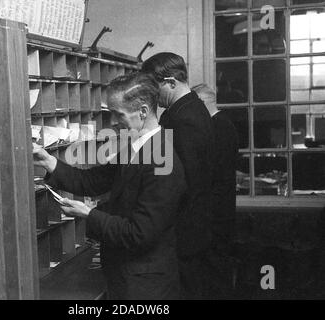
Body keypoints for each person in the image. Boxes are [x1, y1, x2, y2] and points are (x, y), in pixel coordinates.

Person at [33, 72, 186, 300]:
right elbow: (92, 181)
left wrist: (89, 214)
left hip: (145, 284)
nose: (113, 121)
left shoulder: (162, 160)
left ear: (143, 111)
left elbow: (139, 233)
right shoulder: (137, 146)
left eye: (118, 114)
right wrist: (49, 161)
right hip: (128, 275)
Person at [141, 52, 215, 299]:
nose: (152, 95)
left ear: (171, 82)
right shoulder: (190, 109)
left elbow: (182, 181)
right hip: (192, 225)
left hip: (186, 229)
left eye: (154, 87)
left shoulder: (183, 118)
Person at [192, 83, 239, 299]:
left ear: (203, 102)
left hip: (217, 209)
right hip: (222, 205)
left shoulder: (217, 126)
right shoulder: (223, 124)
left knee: (216, 267)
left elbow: (211, 171)